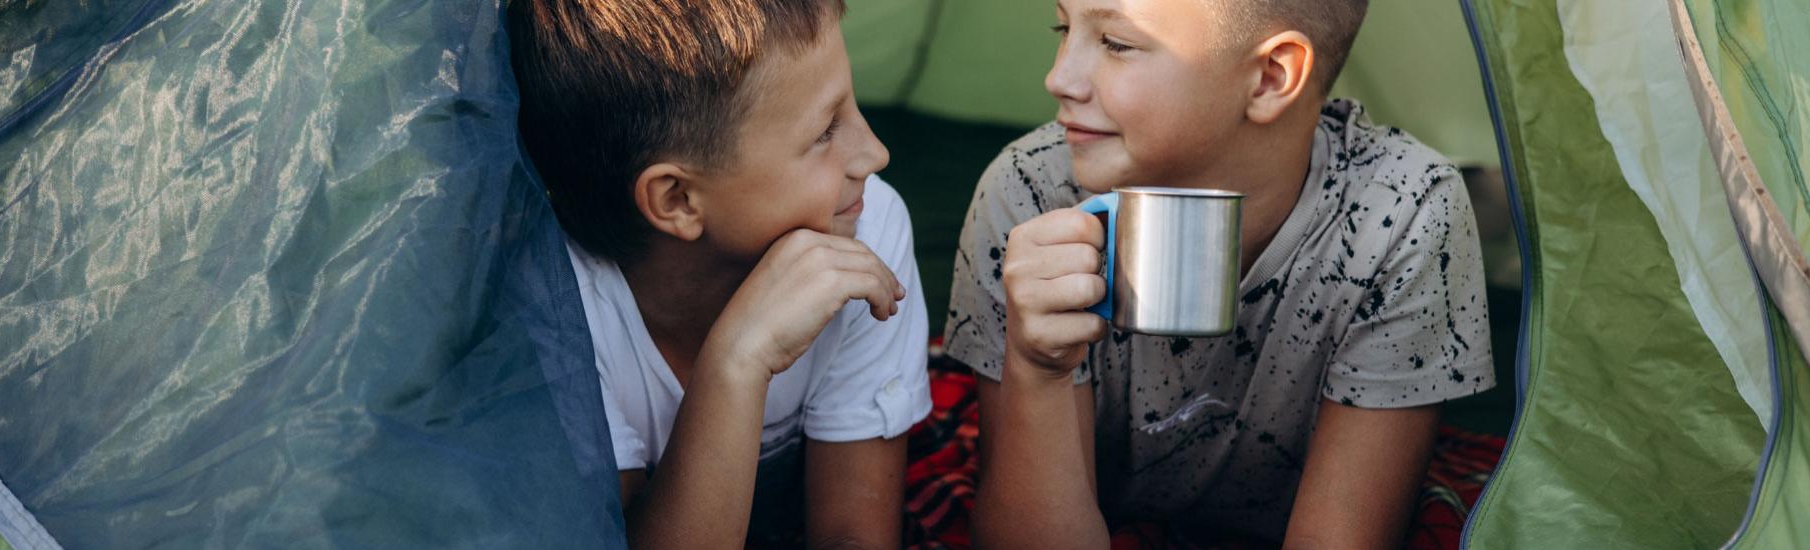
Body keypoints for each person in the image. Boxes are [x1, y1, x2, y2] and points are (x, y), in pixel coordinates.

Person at [941, 0, 1496, 546]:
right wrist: (1037, 371)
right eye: (1062, 27)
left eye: (1117, 43)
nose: (1058, 77)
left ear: (1270, 78)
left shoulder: (1400, 211)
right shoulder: (1032, 194)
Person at [508, 1, 931, 547]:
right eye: (827, 130)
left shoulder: (864, 228)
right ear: (678, 199)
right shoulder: (557, 312)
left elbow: (853, 535)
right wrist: (738, 362)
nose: (875, 153)